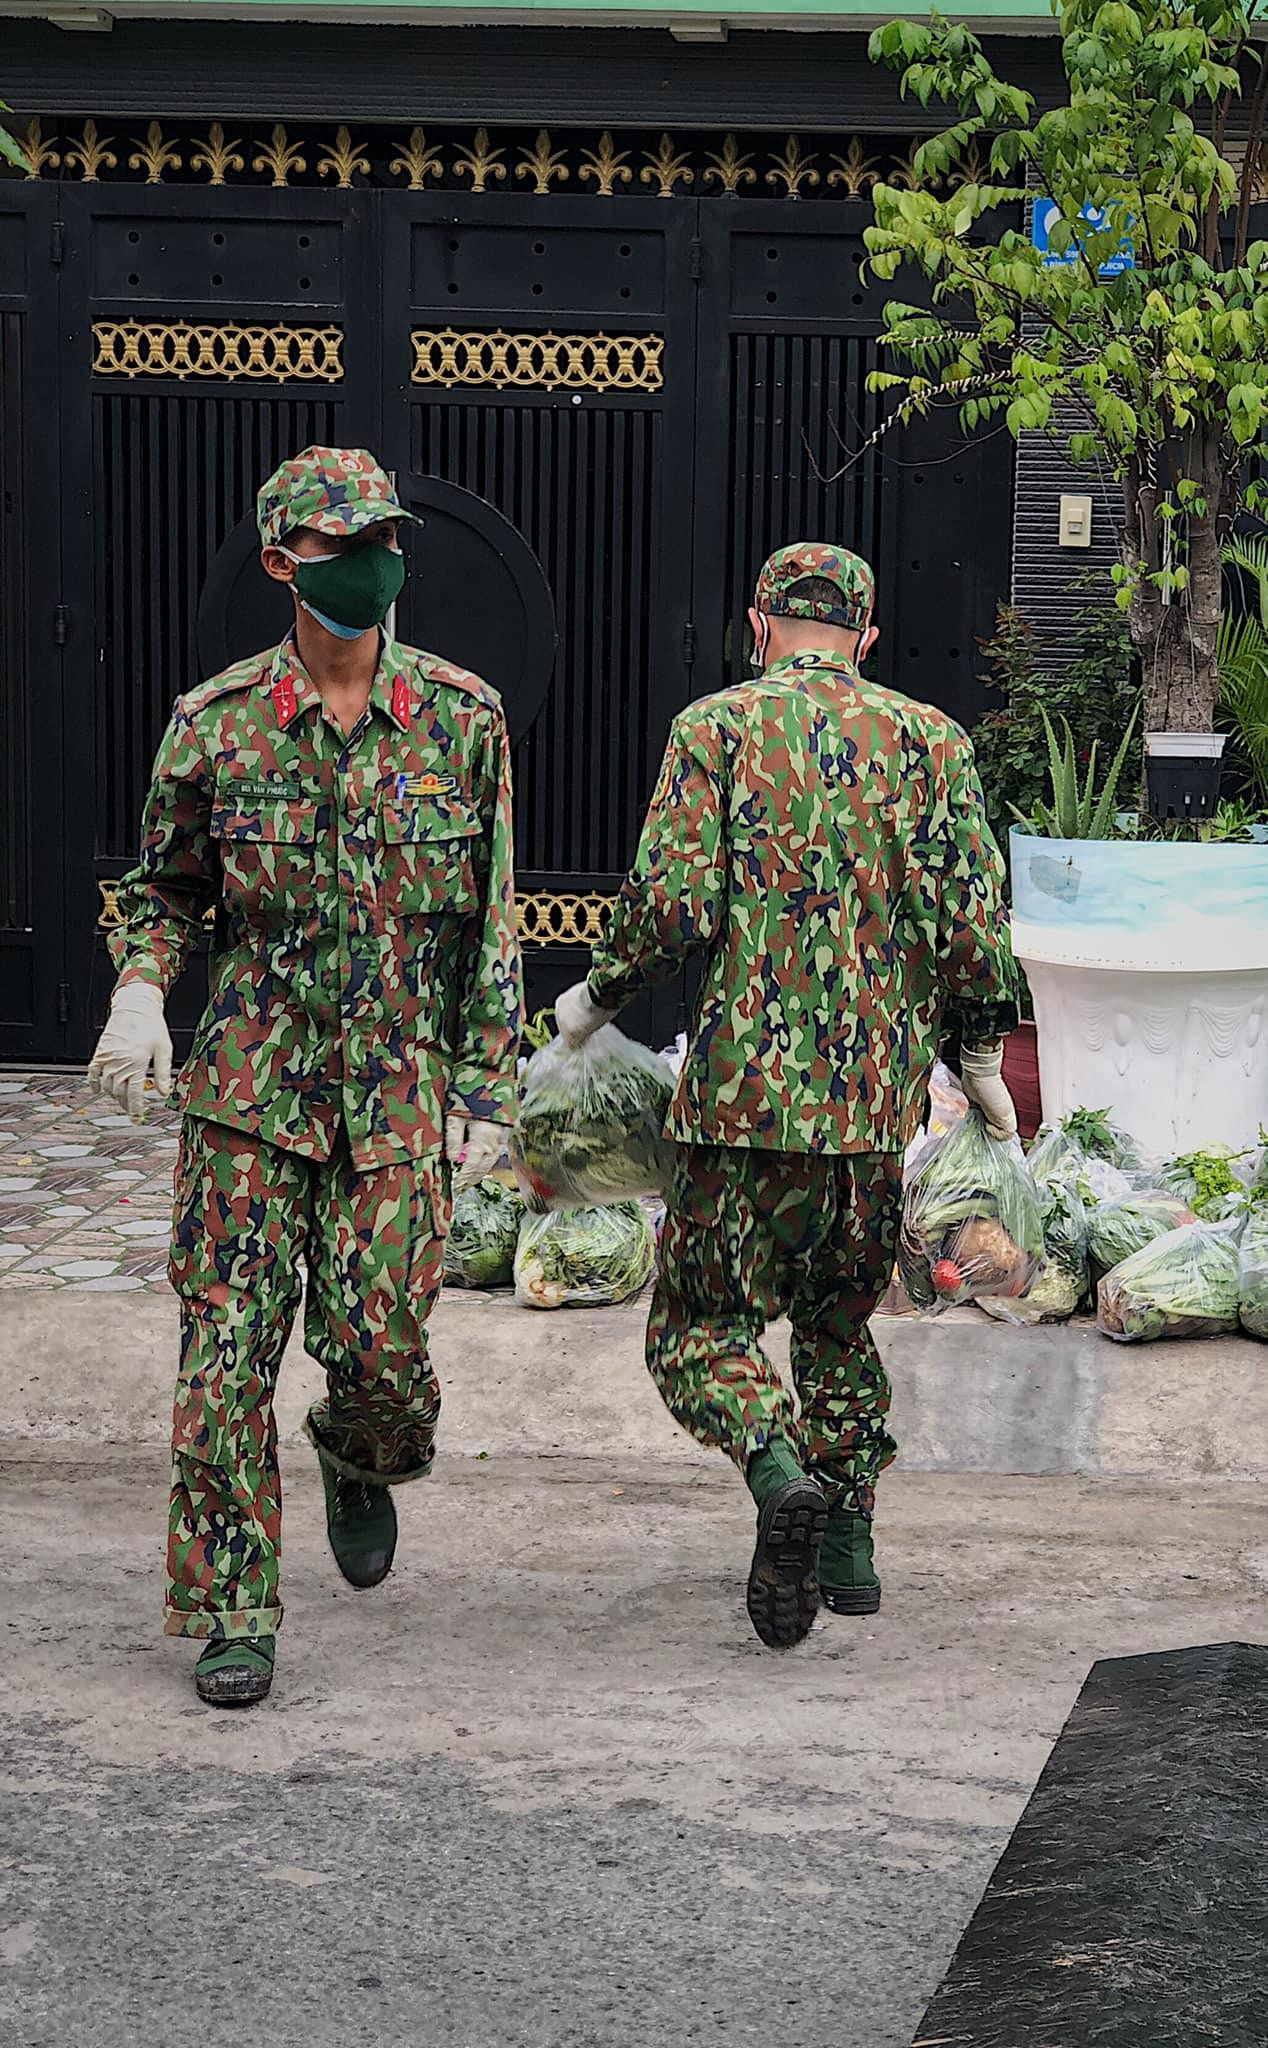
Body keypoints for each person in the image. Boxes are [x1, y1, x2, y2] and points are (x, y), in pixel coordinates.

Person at [89, 446, 521, 1706]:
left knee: (384, 1354)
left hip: (395, 1098)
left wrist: (485, 1091)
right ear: (283, 562)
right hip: (249, 1093)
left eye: (384, 541)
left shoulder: (462, 717)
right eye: (342, 546)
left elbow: (488, 920)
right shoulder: (215, 722)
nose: (371, 564)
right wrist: (138, 991)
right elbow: (164, 891)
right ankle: (233, 1609)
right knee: (224, 1355)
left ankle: (357, 1448)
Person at [555, 542, 1018, 1650]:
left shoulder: (713, 730)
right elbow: (969, 921)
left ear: (758, 625)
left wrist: (595, 997)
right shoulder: (930, 740)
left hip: (737, 1110)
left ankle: (774, 1470)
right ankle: (848, 1544)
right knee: (838, 1321)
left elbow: (671, 908)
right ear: (865, 637)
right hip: (869, 1115)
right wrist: (980, 1055)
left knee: (698, 1325)